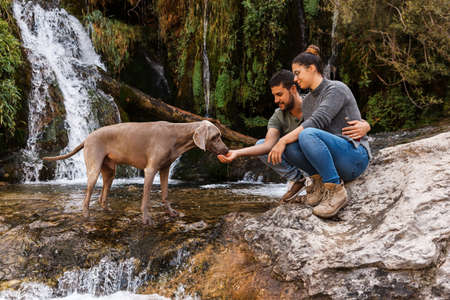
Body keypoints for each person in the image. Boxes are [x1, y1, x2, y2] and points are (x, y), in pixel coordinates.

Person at [218, 45, 372, 218]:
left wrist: (366, 125)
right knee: (292, 144)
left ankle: (336, 191)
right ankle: (318, 184)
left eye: (298, 73)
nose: (295, 79)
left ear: (312, 68)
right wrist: (281, 143)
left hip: (354, 158)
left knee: (303, 135)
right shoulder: (307, 103)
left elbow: (317, 122)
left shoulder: (336, 89)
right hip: (333, 161)